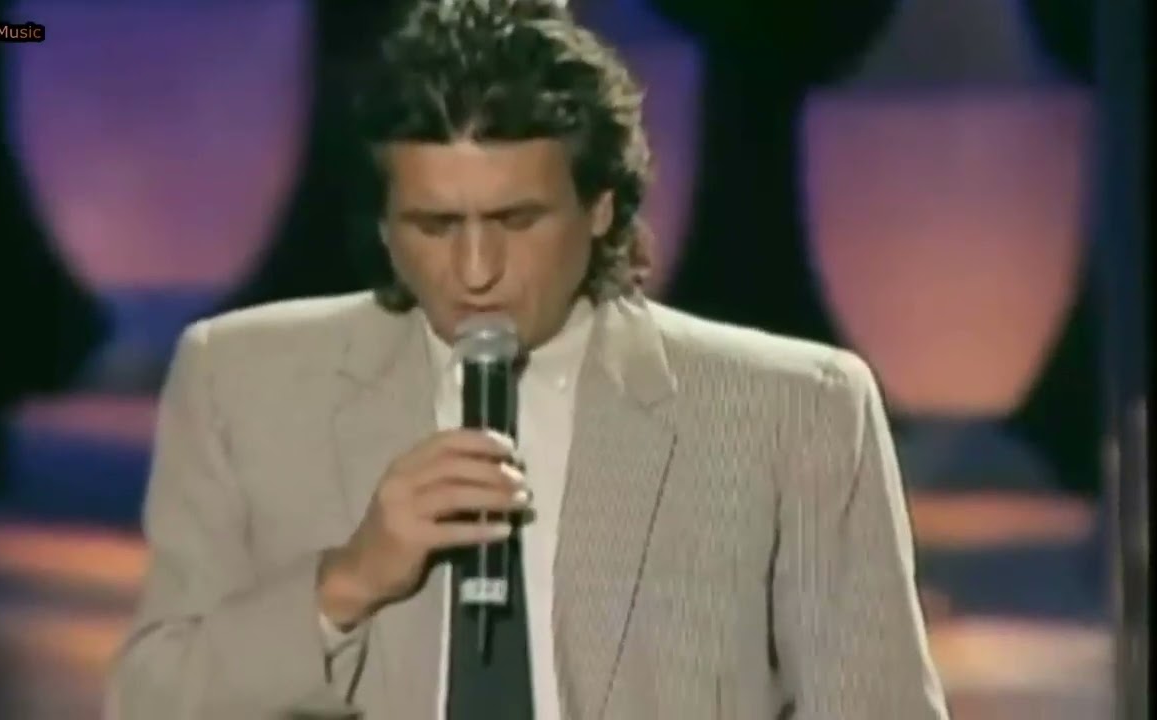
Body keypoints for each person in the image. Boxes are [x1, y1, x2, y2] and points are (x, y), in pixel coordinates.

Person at [107, 1, 949, 718]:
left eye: (516, 221)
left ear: (600, 207)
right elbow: (150, 702)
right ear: (385, 226)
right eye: (435, 226)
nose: (475, 271)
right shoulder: (241, 382)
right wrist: (347, 582)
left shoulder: (797, 411)